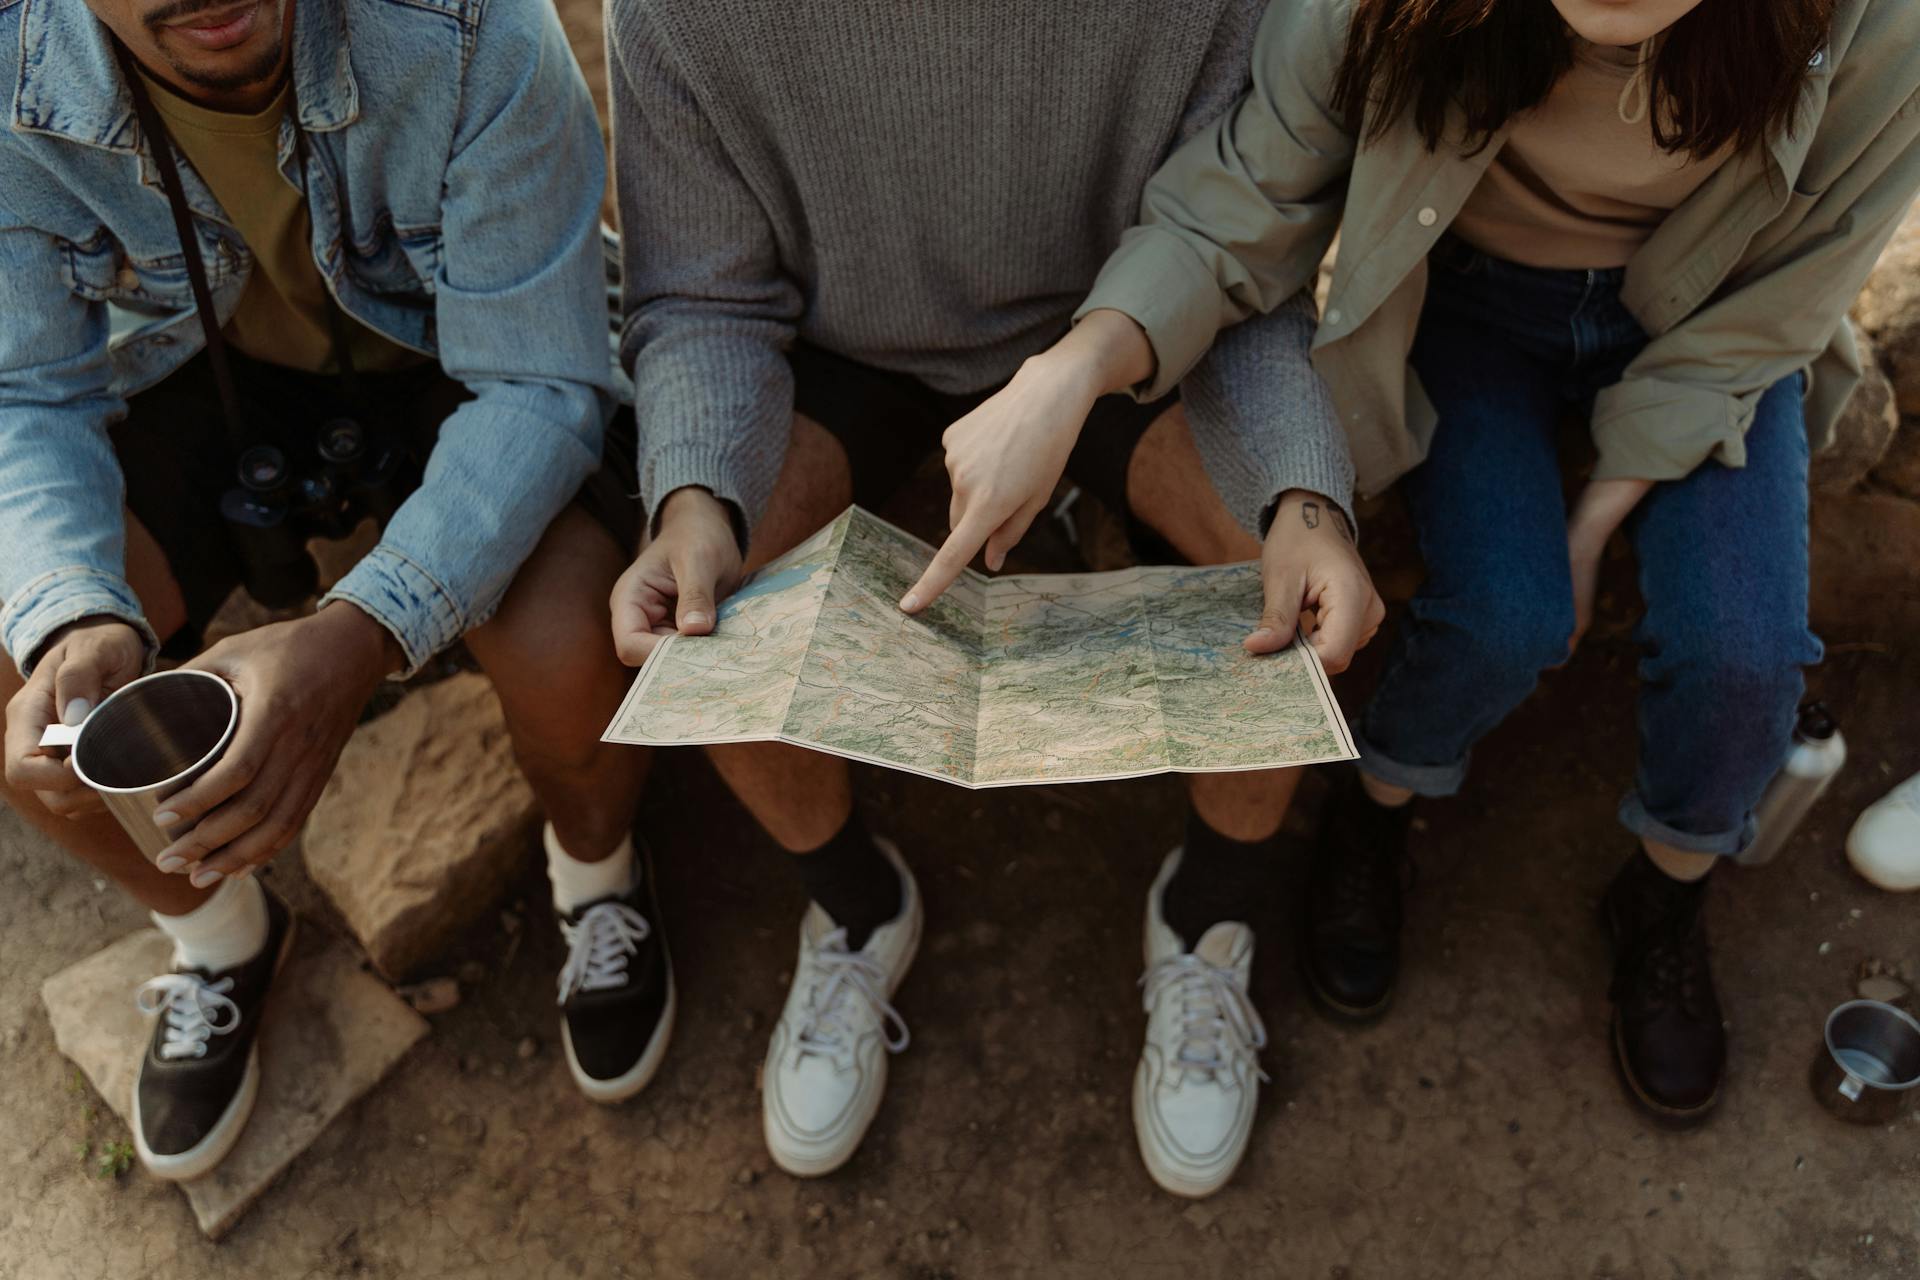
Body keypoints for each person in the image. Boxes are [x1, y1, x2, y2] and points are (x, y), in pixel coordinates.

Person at [949, 0, 1920, 1128]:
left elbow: (1785, 297)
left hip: (1713, 330)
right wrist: (1069, 373)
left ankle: (1665, 895)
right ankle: (1375, 807)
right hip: (1472, 309)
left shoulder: (1874, 22)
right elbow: (1245, 202)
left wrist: (1594, 522)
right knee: (1501, 616)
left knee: (1745, 659)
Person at [606, 0, 1383, 1193]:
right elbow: (701, 296)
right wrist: (694, 497)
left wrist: (1304, 497)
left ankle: (1208, 914)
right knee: (706, 602)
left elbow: (1247, 254)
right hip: (838, 342)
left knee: (1272, 563)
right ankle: (857, 904)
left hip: (1135, 319)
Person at [0, 0, 671, 1179]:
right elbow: (26, 393)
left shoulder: (474, 31)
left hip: (459, 361)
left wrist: (367, 627)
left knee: (571, 643)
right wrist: (72, 607)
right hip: (197, 368)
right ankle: (219, 933)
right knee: (23, 684)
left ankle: (599, 873)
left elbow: (535, 387)